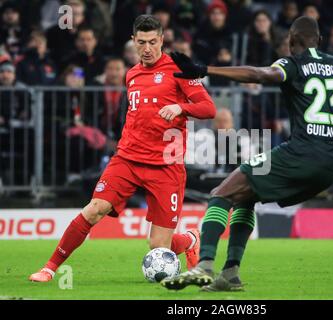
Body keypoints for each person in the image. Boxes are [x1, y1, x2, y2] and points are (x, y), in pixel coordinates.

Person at [161, 16, 333, 292]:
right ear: (320, 40)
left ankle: (203, 265)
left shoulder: (292, 63)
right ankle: (230, 274)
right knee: (246, 198)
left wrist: (204, 69)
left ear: (291, 41)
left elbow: (259, 75)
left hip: (301, 153)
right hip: (332, 166)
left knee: (221, 194)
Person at [29, 15, 217, 283]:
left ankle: (189, 239)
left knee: (158, 247)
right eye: (142, 42)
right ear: (134, 42)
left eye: (153, 42)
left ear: (162, 40)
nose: (148, 48)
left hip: (166, 165)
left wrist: (181, 107)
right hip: (127, 159)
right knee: (95, 209)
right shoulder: (132, 74)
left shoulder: (179, 70)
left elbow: (208, 108)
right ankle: (49, 267)